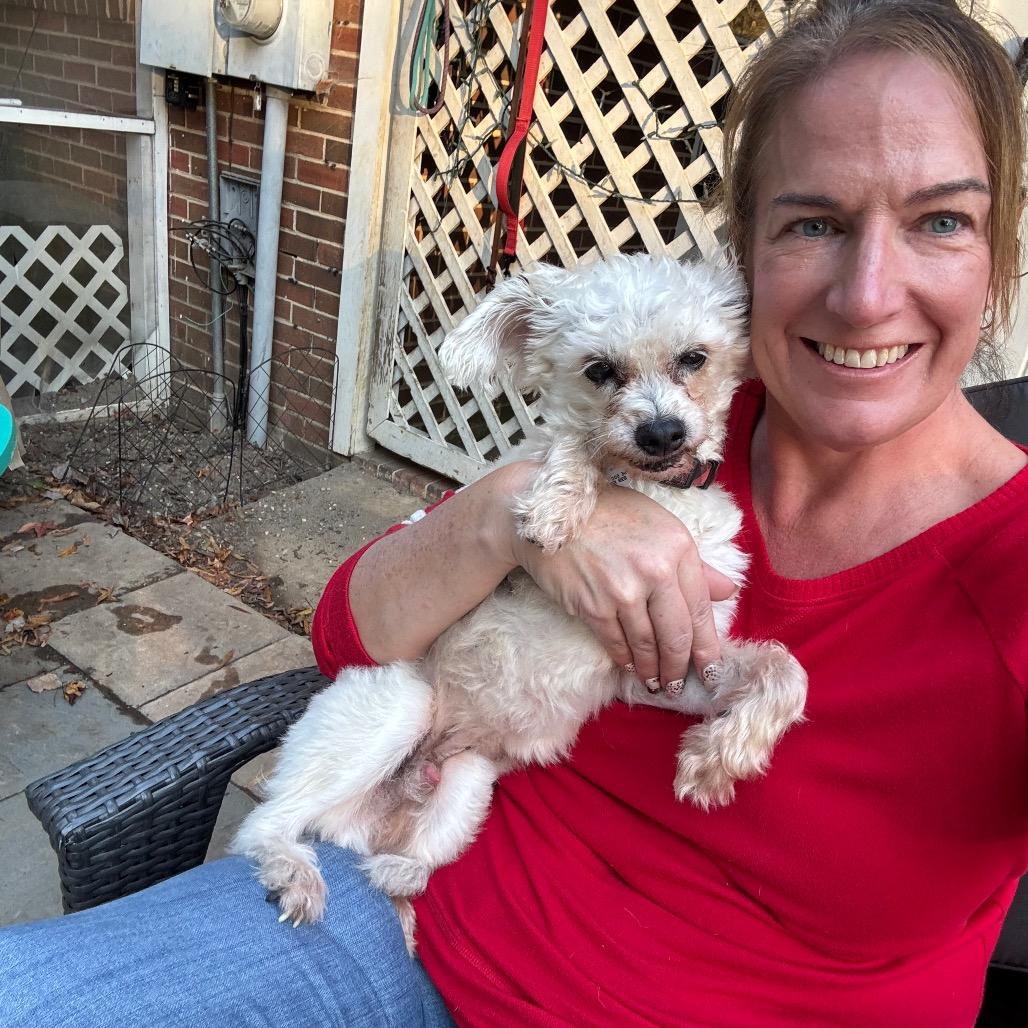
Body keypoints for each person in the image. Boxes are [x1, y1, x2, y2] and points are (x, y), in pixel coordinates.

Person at [2, 0, 1027, 1024]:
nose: (863, 294)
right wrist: (509, 517)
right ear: (744, 258)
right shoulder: (662, 422)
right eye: (814, 221)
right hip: (395, 910)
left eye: (940, 218)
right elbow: (348, 633)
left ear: (998, 250)